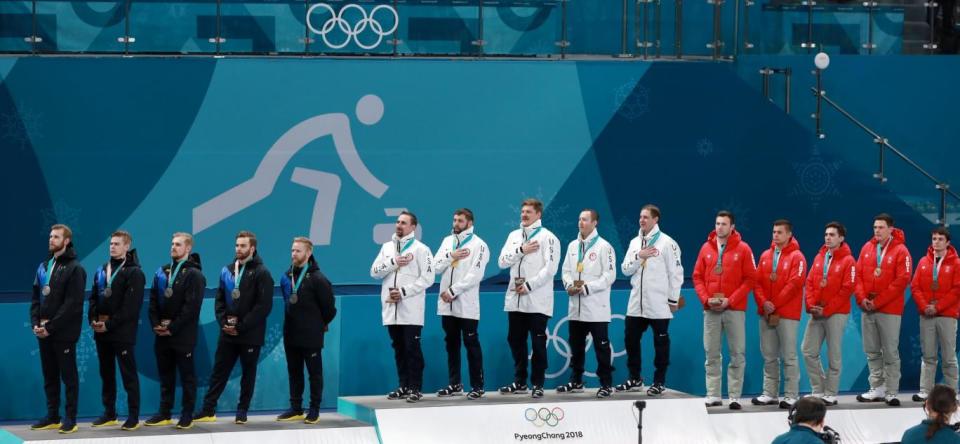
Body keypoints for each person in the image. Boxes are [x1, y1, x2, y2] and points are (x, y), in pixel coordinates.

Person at [196, 231, 274, 424]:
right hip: (228, 333)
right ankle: (208, 409)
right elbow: (219, 300)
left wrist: (242, 325)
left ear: (252, 248)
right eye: (237, 245)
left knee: (248, 373)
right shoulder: (227, 270)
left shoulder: (262, 273)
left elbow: (263, 306)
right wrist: (223, 323)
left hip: (250, 334)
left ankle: (242, 410)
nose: (239, 249)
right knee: (219, 371)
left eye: (243, 246)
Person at [617, 205, 683, 396]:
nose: (642, 220)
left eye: (646, 217)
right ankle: (635, 378)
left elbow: (676, 273)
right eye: (640, 217)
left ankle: (659, 381)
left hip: (659, 303)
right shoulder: (634, 243)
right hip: (636, 303)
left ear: (655, 220)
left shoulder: (667, 243)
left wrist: (673, 300)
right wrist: (639, 256)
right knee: (631, 340)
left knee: (660, 343)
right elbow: (625, 269)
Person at [693, 210, 756, 409]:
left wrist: (732, 300)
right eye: (717, 223)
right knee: (711, 353)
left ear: (732, 227)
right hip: (711, 310)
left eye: (723, 224)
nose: (719, 227)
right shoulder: (706, 248)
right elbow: (697, 277)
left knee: (737, 353)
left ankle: (735, 396)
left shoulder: (744, 249)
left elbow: (751, 279)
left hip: (734, 309)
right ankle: (713, 395)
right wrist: (706, 299)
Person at [498, 198, 560, 399]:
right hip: (515, 298)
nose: (524, 215)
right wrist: (520, 251)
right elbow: (501, 262)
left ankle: (538, 383)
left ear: (538, 215)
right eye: (522, 211)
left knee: (537, 343)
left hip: (536, 300)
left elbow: (550, 269)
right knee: (515, 340)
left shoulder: (548, 238)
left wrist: (529, 285)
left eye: (528, 212)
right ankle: (520, 382)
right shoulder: (514, 236)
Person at [370, 211, 434, 403]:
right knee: (398, 348)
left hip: (411, 309)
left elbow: (428, 278)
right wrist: (393, 262)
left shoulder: (422, 249)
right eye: (398, 222)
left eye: (404, 223)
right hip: (391, 308)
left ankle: (416, 388)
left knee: (412, 348)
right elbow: (374, 272)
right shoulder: (387, 247)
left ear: (413, 227)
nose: (399, 225)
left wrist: (405, 291)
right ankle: (404, 386)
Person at [144, 233, 205, 430]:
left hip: (183, 335)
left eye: (178, 244)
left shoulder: (195, 275)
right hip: (162, 334)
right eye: (172, 244)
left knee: (187, 376)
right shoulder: (162, 272)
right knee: (165, 375)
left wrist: (172, 327)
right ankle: (165, 412)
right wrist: (156, 325)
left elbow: (191, 308)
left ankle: (187, 414)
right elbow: (152, 301)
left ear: (188, 249)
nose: (173, 247)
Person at [30, 224, 86, 434]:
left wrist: (51, 327)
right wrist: (36, 322)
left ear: (67, 241)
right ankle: (52, 416)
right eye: (50, 236)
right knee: (49, 375)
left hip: (63, 332)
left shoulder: (75, 269)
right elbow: (36, 297)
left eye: (56, 237)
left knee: (68, 377)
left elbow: (72, 305)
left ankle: (70, 418)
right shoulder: (43, 266)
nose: (51, 239)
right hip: (43, 330)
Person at [276, 237, 337, 424]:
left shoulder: (319, 279)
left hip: (311, 335)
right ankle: (296, 408)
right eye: (292, 250)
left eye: (298, 251)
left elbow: (329, 308)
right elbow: (288, 302)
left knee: (314, 373)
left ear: (308, 253)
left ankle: (314, 409)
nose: (294, 254)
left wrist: (318, 324)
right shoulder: (286, 277)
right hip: (291, 333)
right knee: (294, 371)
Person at [89, 230, 145, 430]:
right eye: (111, 243)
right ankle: (109, 413)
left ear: (127, 246)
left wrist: (109, 324)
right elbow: (94, 297)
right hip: (101, 331)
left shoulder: (135, 272)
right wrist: (93, 319)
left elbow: (131, 308)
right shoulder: (102, 270)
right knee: (106, 373)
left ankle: (133, 416)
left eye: (117, 243)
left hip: (122, 333)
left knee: (128, 374)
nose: (112, 246)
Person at [557, 209, 617, 398]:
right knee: (576, 347)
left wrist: (587, 288)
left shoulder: (604, 247)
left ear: (594, 223)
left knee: (601, 347)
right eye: (579, 219)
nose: (580, 222)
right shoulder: (573, 246)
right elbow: (565, 270)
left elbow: (610, 275)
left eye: (584, 219)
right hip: (576, 306)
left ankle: (606, 383)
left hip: (596, 307)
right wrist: (568, 284)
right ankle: (576, 381)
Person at [855, 213, 911, 406]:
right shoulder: (867, 248)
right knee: (871, 350)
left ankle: (892, 390)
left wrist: (878, 301)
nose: (877, 230)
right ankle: (876, 387)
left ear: (891, 229)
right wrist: (862, 298)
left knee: (890, 350)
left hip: (889, 309)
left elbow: (902, 280)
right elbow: (858, 275)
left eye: (880, 227)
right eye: (875, 227)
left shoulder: (901, 251)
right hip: (867, 308)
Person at [433, 209, 489, 400]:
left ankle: (478, 386)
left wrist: (453, 290)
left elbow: (475, 275)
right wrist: (451, 255)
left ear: (470, 223)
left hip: (466, 304)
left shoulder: (479, 245)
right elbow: (435, 266)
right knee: (451, 344)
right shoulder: (447, 242)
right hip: (446, 304)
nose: (456, 223)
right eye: (455, 220)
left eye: (460, 221)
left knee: (471, 344)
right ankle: (455, 384)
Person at [752, 220, 806, 409]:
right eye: (774, 232)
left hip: (787, 314)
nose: (775, 235)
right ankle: (770, 393)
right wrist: (764, 303)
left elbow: (794, 284)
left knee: (789, 356)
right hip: (767, 313)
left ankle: (791, 394)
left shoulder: (797, 257)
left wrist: (774, 304)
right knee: (768, 355)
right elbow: (756, 282)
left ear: (789, 235)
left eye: (780, 232)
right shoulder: (766, 255)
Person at [801, 222, 856, 407]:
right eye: (826, 234)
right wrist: (810, 305)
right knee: (808, 350)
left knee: (833, 353)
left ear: (841, 238)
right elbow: (809, 282)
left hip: (836, 313)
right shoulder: (819, 257)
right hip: (817, 312)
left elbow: (847, 289)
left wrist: (828, 309)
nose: (828, 237)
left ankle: (831, 392)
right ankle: (818, 389)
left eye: (832, 235)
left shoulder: (849, 261)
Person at [910, 227, 960, 402]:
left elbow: (957, 290)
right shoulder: (924, 261)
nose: (936, 242)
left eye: (940, 239)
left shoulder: (956, 263)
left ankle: (952, 391)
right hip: (927, 315)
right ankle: (926, 390)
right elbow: (915, 287)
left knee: (948, 356)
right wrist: (925, 306)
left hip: (947, 315)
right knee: (928, 355)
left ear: (948, 242)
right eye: (934, 238)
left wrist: (937, 307)